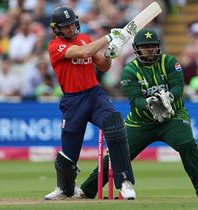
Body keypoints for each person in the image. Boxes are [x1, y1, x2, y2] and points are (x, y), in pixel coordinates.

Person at [74, 29, 198, 200]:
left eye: (152, 46)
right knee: (116, 154)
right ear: (136, 49)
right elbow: (135, 99)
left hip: (173, 117)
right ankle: (87, 190)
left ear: (158, 47)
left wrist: (169, 97)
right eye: (145, 47)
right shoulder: (130, 71)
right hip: (141, 122)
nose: (149, 50)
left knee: (187, 145)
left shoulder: (169, 62)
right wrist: (149, 103)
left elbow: (178, 86)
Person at [44, 6, 136, 200]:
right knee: (67, 156)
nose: (70, 29)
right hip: (73, 101)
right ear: (57, 29)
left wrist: (110, 54)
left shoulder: (84, 38)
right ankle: (65, 189)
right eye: (65, 26)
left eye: (72, 24)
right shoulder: (55, 46)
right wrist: (108, 38)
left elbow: (102, 64)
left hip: (95, 95)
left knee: (115, 126)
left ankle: (124, 182)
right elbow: (84, 52)